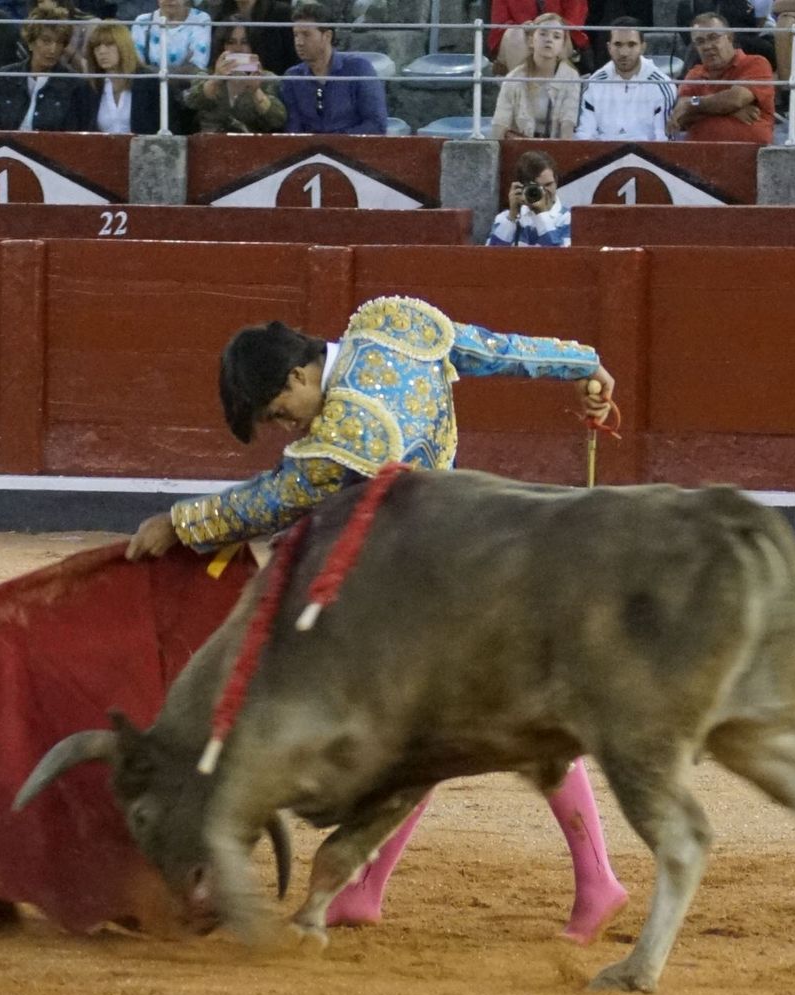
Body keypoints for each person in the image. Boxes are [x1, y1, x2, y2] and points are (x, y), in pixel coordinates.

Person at [121, 297, 628, 941]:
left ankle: (596, 879)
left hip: (431, 590)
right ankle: (365, 888)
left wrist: (179, 522)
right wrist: (582, 364)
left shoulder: (347, 436)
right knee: (429, 743)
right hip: (466, 547)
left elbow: (272, 500)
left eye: (279, 412)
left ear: (299, 378)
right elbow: (491, 348)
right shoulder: (391, 328)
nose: (284, 429)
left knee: (447, 736)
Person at [0, 1, 95, 130]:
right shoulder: (5, 77)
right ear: (31, 43)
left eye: (59, 42)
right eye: (46, 41)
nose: (53, 49)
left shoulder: (75, 86)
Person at [669, 11, 775, 144]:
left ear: (730, 37)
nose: (707, 46)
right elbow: (680, 116)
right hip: (700, 156)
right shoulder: (695, 74)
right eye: (700, 42)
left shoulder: (756, 63)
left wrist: (693, 103)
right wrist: (729, 111)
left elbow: (735, 100)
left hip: (750, 154)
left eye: (713, 37)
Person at [280, 2, 386, 135]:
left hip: (354, 151)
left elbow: (376, 124)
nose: (299, 42)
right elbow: (293, 130)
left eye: (306, 35)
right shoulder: (292, 78)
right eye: (296, 35)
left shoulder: (359, 69)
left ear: (327, 36)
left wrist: (334, 141)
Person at [574, 15, 677, 141]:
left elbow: (664, 140)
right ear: (609, 47)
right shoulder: (594, 83)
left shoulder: (662, 85)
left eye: (631, 44)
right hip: (603, 157)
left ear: (642, 47)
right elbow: (584, 134)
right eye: (618, 44)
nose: (624, 52)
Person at [182, 14, 287, 133]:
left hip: (252, 145)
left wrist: (256, 91)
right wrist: (216, 79)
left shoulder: (268, 79)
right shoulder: (205, 75)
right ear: (222, 46)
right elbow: (191, 102)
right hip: (210, 143)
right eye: (231, 42)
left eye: (244, 42)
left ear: (253, 45)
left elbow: (277, 120)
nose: (238, 48)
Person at [490, 12, 581, 140]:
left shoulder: (571, 77)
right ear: (531, 40)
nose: (549, 40)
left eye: (556, 36)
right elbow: (499, 124)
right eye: (543, 34)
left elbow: (568, 123)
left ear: (562, 45)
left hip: (557, 148)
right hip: (521, 147)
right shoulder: (514, 78)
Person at [83, 18, 166, 133]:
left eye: (109, 44)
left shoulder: (150, 83)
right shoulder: (88, 89)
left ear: (124, 46)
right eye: (96, 47)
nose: (102, 51)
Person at [485, 149, 571, 247]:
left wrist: (541, 214)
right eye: (536, 187)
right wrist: (512, 216)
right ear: (521, 187)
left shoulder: (568, 218)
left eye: (548, 185)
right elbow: (491, 257)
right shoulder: (504, 219)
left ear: (556, 181)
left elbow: (561, 258)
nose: (544, 192)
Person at [489, 0, 591, 74]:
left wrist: (543, 27)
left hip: (561, 33)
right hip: (518, 38)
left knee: (552, 35)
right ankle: (523, 93)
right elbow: (499, 25)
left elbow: (574, 21)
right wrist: (525, 28)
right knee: (516, 35)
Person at [210, 0, 294, 75]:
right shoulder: (219, 16)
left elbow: (294, 60)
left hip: (275, 85)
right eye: (230, 42)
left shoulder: (282, 13)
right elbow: (214, 58)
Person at [130, 0, 211, 74]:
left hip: (187, 88)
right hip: (150, 88)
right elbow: (137, 68)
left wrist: (151, 70)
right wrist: (181, 70)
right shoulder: (143, 21)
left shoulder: (200, 19)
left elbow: (197, 67)